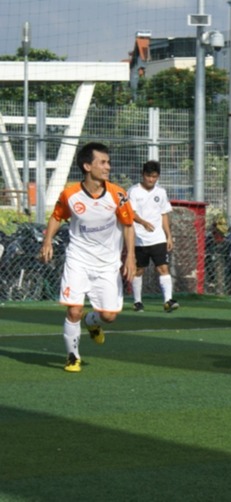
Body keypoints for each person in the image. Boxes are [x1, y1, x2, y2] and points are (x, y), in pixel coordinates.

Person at [39, 142, 136, 373]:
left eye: (108, 162)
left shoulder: (118, 194)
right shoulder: (70, 194)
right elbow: (56, 216)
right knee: (74, 310)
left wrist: (130, 256)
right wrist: (47, 241)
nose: (107, 167)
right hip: (78, 260)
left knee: (109, 316)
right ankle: (73, 356)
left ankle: (92, 322)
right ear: (87, 166)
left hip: (108, 264)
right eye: (102, 162)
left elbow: (128, 225)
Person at [127, 160, 179, 313]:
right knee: (139, 270)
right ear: (143, 175)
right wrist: (142, 222)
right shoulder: (133, 191)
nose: (151, 179)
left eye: (154, 177)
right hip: (139, 238)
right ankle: (137, 302)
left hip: (158, 238)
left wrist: (168, 236)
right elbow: (130, 213)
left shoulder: (161, 192)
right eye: (148, 176)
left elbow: (163, 214)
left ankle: (168, 301)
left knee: (163, 267)